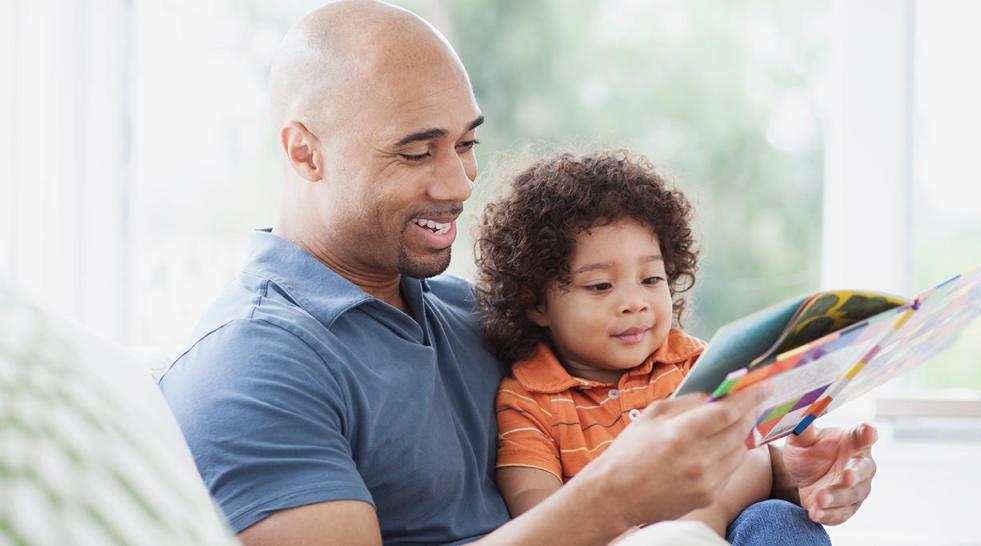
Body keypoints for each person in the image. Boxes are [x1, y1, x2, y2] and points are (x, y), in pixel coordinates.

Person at [157, 1, 878, 544]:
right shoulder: (252, 365)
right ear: (304, 152)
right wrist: (617, 497)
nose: (459, 182)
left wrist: (786, 471)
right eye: (417, 152)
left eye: (466, 143)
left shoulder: (476, 314)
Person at [476, 150, 833, 544]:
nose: (635, 302)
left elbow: (754, 459)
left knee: (781, 518)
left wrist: (697, 523)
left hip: (716, 531)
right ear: (536, 303)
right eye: (600, 286)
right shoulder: (528, 399)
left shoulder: (695, 364)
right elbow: (537, 510)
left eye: (650, 279)